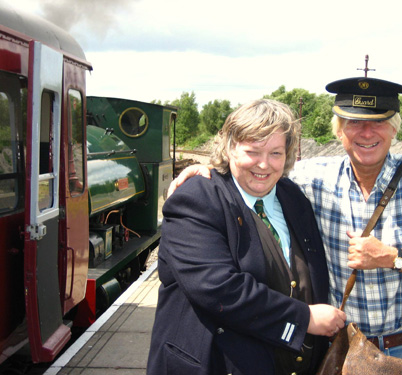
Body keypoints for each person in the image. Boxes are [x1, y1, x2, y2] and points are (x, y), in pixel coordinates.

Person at [168, 77, 402, 365]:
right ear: (339, 130)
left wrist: (394, 258)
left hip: (401, 352)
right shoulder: (313, 178)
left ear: (394, 129)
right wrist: (204, 173)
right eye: (354, 122)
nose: (366, 133)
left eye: (378, 122)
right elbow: (259, 168)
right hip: (337, 348)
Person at [147, 99, 346, 375]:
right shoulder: (196, 199)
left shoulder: (294, 197)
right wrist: (305, 319)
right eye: (253, 151)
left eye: (276, 153)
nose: (264, 164)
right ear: (229, 148)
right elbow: (217, 289)